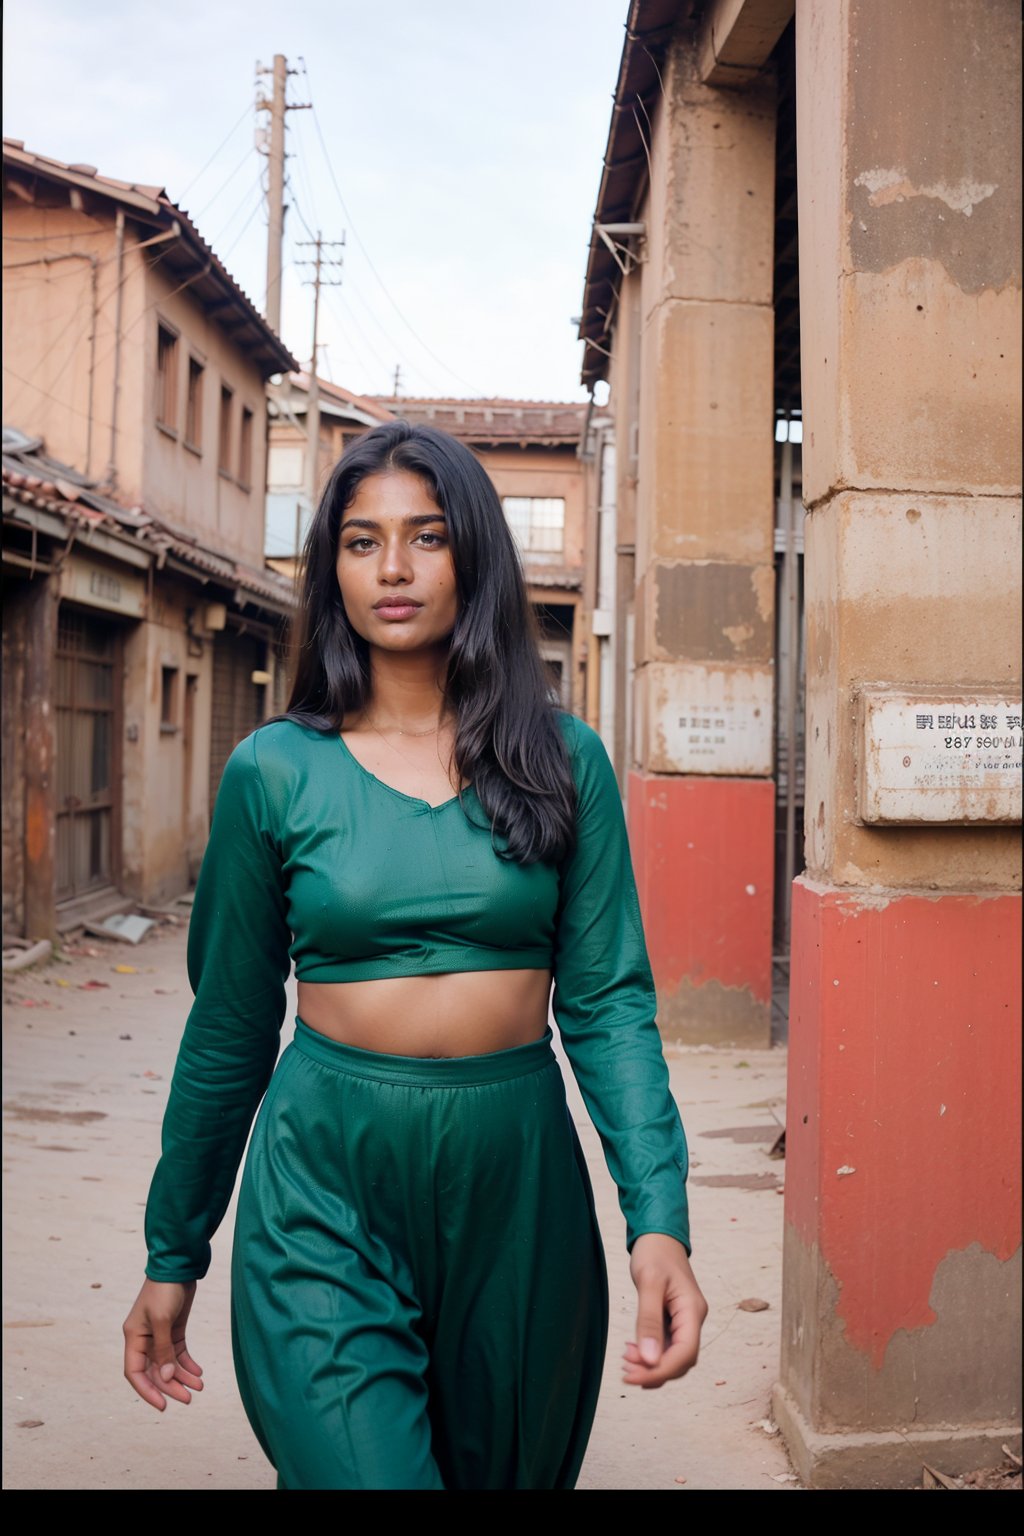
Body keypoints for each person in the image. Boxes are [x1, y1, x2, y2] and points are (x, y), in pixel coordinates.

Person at [122, 420, 707, 1490]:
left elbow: (611, 1004)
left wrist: (656, 1222)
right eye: (360, 541)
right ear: (330, 568)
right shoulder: (273, 772)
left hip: (517, 1185)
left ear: (472, 556)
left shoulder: (563, 762)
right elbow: (231, 1028)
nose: (392, 568)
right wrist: (175, 1250)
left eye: (425, 536)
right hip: (324, 1182)